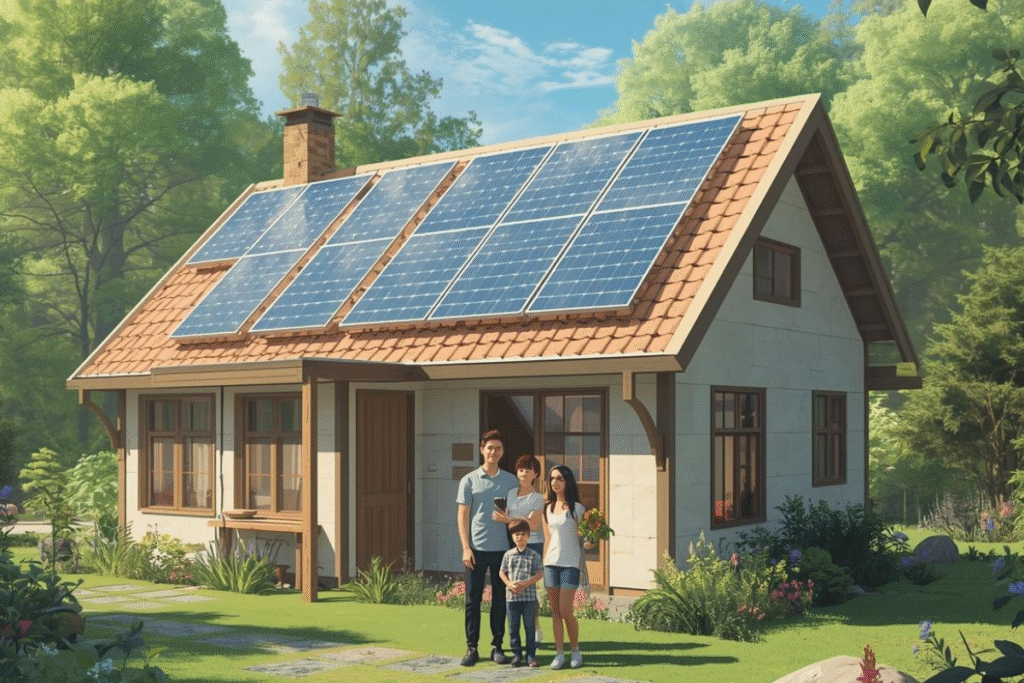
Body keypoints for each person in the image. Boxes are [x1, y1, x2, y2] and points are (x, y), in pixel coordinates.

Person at [456, 429, 518, 667]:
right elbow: (462, 515)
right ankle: (472, 648)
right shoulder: (469, 480)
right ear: (482, 449)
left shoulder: (510, 480)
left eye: (498, 448)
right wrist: (465, 547)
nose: (494, 452)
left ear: (502, 452)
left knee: (500, 599)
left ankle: (497, 647)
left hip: (503, 550)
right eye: (490, 448)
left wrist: (510, 520)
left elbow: (517, 513)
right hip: (476, 550)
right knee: (473, 600)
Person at [542, 464, 592, 670]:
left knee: (565, 610)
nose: (555, 482)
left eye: (560, 479)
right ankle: (559, 654)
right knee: (554, 612)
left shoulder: (577, 509)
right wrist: (542, 563)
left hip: (570, 564)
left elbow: (589, 535)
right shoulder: (546, 508)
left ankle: (575, 651)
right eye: (552, 478)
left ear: (567, 482)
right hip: (550, 564)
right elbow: (547, 538)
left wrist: (590, 542)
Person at [492, 454, 545, 645]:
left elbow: (533, 525)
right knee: (515, 587)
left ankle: (536, 628)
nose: (523, 473)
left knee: (529, 588)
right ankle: (516, 634)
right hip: (514, 544)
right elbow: (511, 520)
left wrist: (508, 519)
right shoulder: (511, 493)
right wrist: (508, 518)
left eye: (528, 469)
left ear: (535, 474)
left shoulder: (538, 498)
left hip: (533, 544)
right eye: (521, 469)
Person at [498, 520, 544, 668]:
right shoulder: (508, 555)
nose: (520, 537)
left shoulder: (533, 555)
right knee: (513, 628)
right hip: (512, 598)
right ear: (512, 536)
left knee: (529, 627)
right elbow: (501, 572)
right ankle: (516, 654)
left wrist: (527, 583)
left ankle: (531, 656)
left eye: (523, 534)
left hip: (528, 598)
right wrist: (509, 584)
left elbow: (539, 573)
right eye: (517, 534)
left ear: (529, 536)